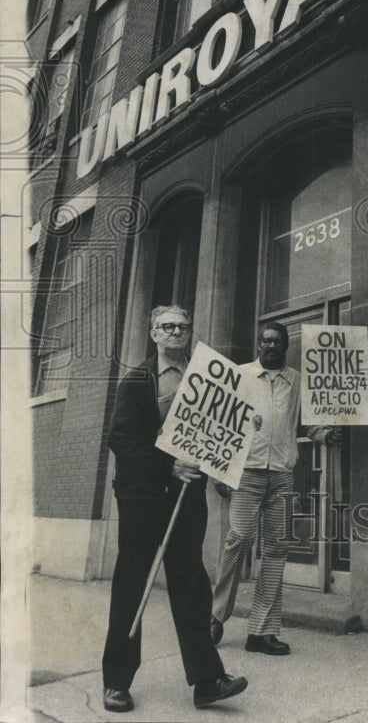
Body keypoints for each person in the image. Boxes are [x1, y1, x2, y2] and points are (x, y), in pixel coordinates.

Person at [102, 305, 248, 712]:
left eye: (183, 327)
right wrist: (168, 463)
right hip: (140, 497)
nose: (176, 332)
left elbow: (219, 432)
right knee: (132, 583)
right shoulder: (136, 381)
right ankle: (116, 681)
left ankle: (207, 681)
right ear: (153, 333)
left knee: (191, 583)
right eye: (168, 326)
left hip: (187, 496)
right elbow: (121, 439)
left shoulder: (206, 381)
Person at [210, 320, 340, 655]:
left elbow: (307, 424)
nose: (270, 347)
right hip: (245, 474)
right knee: (239, 537)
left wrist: (326, 435)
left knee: (277, 549)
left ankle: (261, 632)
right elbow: (220, 427)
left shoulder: (297, 381)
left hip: (282, 475)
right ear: (258, 345)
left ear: (285, 346)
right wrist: (219, 473)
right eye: (265, 341)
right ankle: (215, 614)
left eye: (277, 342)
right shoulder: (239, 376)